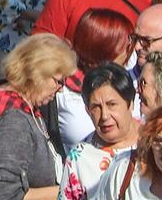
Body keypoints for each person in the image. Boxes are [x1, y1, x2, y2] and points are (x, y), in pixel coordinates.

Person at [0, 33, 78, 200]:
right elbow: (9, 196)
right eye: (59, 81)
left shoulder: (22, 107)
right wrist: (70, 188)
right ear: (37, 73)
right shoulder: (13, 120)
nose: (61, 88)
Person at [60, 64, 140, 200]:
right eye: (96, 107)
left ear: (130, 104)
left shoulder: (157, 142)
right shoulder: (80, 159)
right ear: (87, 111)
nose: (104, 116)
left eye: (112, 104)